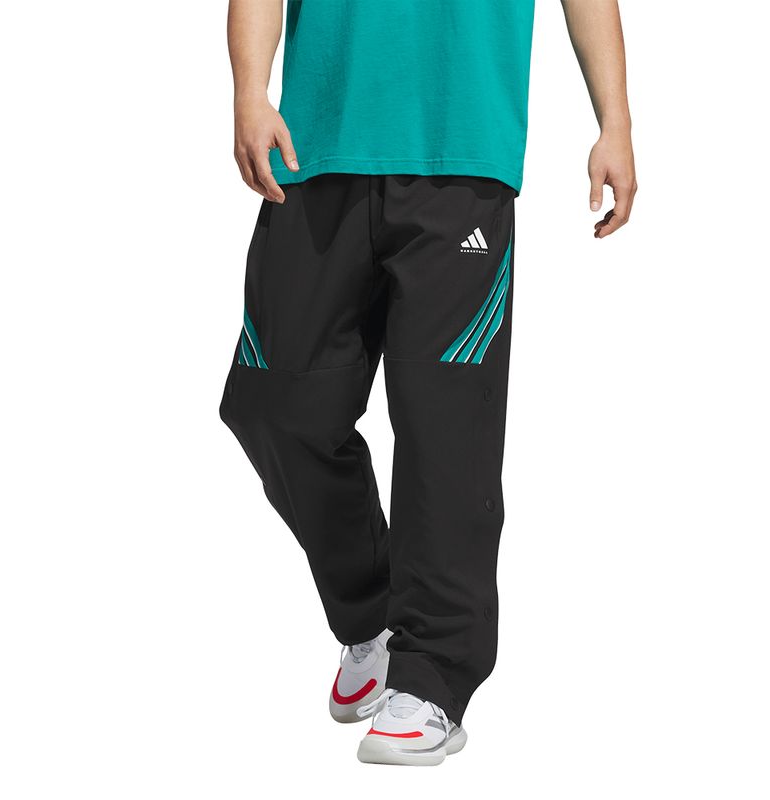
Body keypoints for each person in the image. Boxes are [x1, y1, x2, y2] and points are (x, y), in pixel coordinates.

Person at [219, 0, 636, 766]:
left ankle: (433, 678)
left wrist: (614, 121)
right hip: (317, 146)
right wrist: (250, 90)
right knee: (275, 402)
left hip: (462, 152)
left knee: (446, 433)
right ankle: (372, 617)